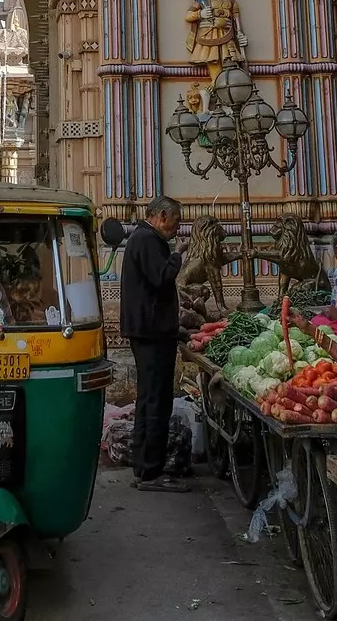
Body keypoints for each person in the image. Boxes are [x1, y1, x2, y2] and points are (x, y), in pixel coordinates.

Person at [121, 195, 190, 493]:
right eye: (175, 224)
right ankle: (150, 472)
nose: (177, 229)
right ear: (161, 216)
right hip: (151, 334)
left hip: (153, 331)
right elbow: (161, 278)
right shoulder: (147, 240)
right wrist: (177, 255)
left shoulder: (142, 239)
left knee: (150, 398)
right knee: (155, 400)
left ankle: (145, 466)